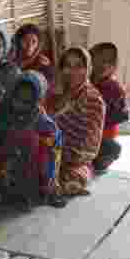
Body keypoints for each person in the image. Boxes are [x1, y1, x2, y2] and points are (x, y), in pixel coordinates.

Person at [0, 71, 66, 209]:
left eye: (26, 101)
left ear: (36, 100)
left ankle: (28, 193)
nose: (20, 105)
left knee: (29, 138)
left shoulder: (39, 117)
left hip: (30, 164)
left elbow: (55, 140)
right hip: (5, 161)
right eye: (17, 99)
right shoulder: (4, 111)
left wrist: (39, 141)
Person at [45, 47, 106, 197]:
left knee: (69, 178)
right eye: (67, 66)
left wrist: (60, 155)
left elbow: (89, 146)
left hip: (73, 159)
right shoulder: (53, 92)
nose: (72, 71)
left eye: (79, 66)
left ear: (88, 68)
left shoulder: (94, 101)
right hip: (45, 149)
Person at [89, 42, 130, 173]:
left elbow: (123, 115)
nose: (103, 65)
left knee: (112, 148)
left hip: (101, 137)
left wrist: (99, 119)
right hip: (81, 134)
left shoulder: (115, 88)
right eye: (99, 60)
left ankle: (97, 160)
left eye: (108, 61)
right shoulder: (82, 80)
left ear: (114, 66)